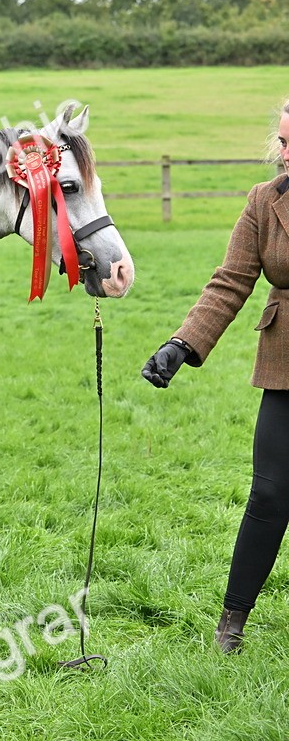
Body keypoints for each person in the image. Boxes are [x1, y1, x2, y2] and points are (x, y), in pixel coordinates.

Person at [142, 99, 289, 653]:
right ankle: (232, 622)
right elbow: (231, 281)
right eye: (281, 140)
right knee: (270, 494)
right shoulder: (264, 202)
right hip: (285, 365)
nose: (283, 152)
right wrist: (183, 344)